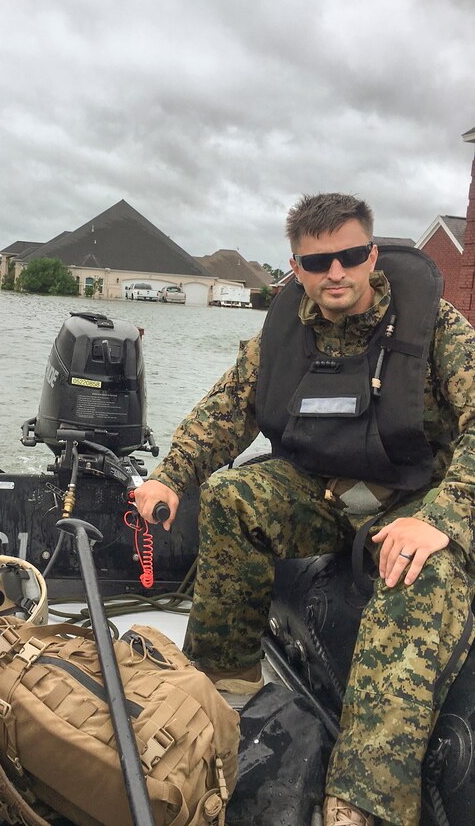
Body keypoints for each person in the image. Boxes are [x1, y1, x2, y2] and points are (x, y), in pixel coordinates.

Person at [134, 193, 474, 826]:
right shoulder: (285, 330)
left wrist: (443, 519)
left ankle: (362, 803)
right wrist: (170, 477)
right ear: (296, 267)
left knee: (411, 575)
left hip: (416, 498)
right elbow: (226, 409)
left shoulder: (436, 329)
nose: (335, 274)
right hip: (326, 493)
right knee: (232, 498)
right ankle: (221, 689)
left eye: (349, 256)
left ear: (372, 254)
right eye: (318, 264)